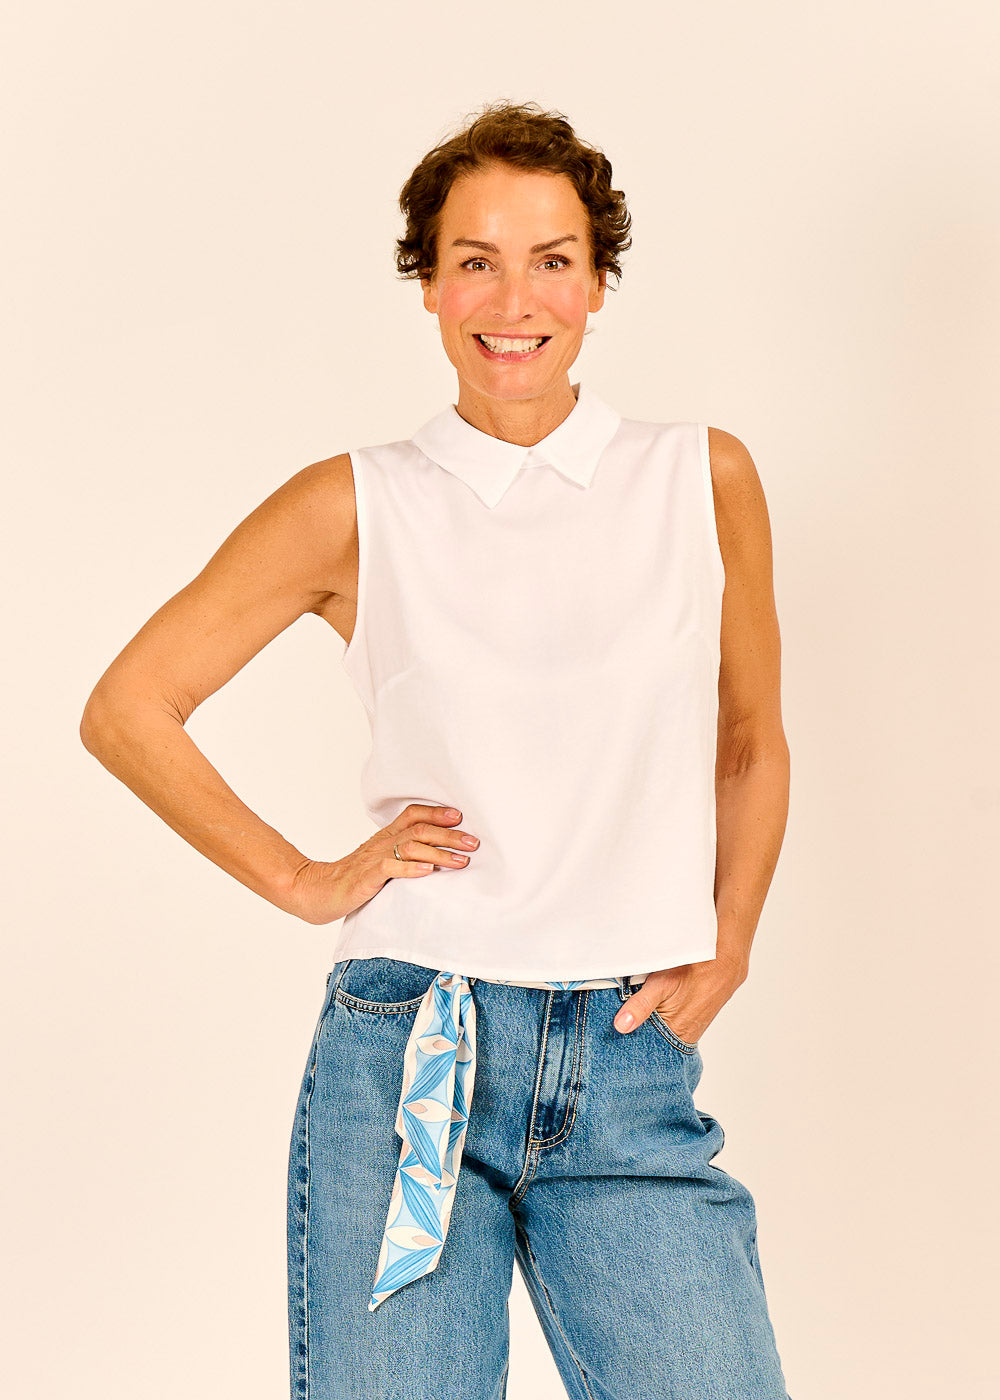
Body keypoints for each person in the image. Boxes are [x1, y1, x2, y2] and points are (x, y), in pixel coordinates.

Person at [81, 99, 793, 1400]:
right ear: (427, 283)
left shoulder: (703, 477)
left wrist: (730, 935)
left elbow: (748, 741)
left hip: (630, 1054)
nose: (513, 301)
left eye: (551, 260)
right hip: (410, 1048)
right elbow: (128, 707)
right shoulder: (356, 503)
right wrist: (308, 881)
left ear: (598, 283)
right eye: (475, 259)